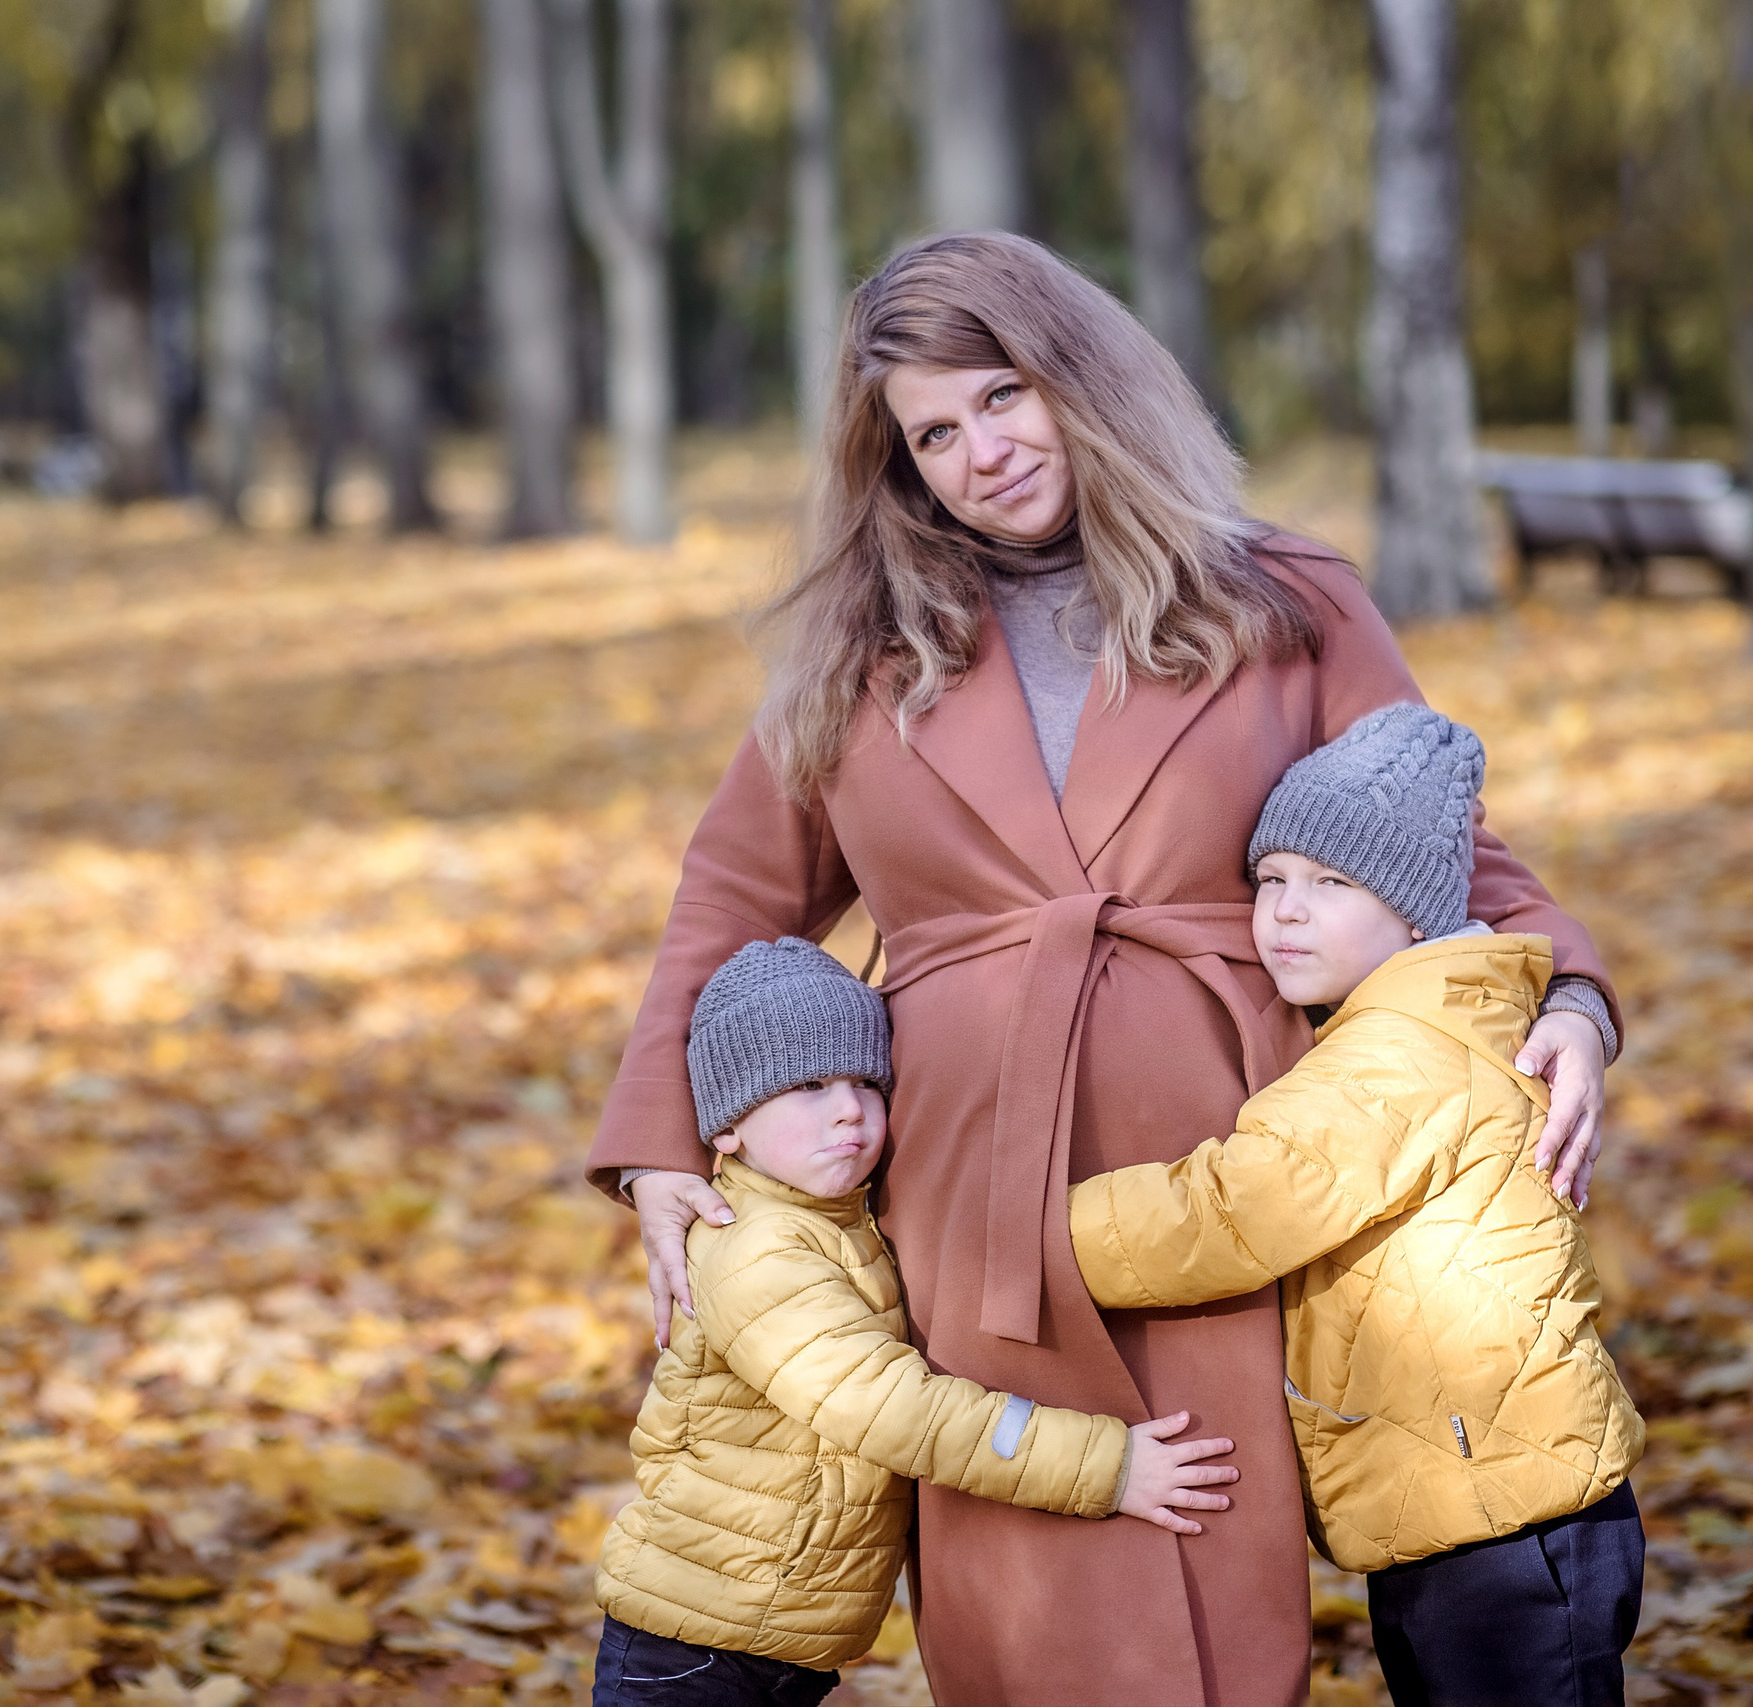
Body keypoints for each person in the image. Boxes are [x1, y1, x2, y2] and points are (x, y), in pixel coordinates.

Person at [587, 231, 1623, 1703]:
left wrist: (1571, 993)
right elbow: (732, 896)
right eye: (931, 433)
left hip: (1251, 1147)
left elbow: (1440, 829)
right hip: (971, 1168)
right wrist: (658, 1143)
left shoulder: (1284, 597)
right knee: (1040, 1578)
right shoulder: (857, 651)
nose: (977, 454)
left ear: (1083, 376)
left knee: (1251, 1535)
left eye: (1002, 397)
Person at [1066, 703, 1645, 1707]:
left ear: (1414, 916)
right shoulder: (1421, 1022)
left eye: (1333, 885)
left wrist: (1040, 1232)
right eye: (1272, 880)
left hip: (1501, 1531)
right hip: (1469, 1502)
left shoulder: (1392, 1061)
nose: (1287, 910)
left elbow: (1233, 1212)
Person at [593, 936, 1240, 1707]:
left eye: (868, 1081)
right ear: (727, 1126)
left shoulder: (837, 1223)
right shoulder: (756, 1247)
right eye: (807, 1084)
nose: (848, 1110)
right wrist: (1106, 1465)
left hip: (763, 1631)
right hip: (698, 1640)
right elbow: (890, 1408)